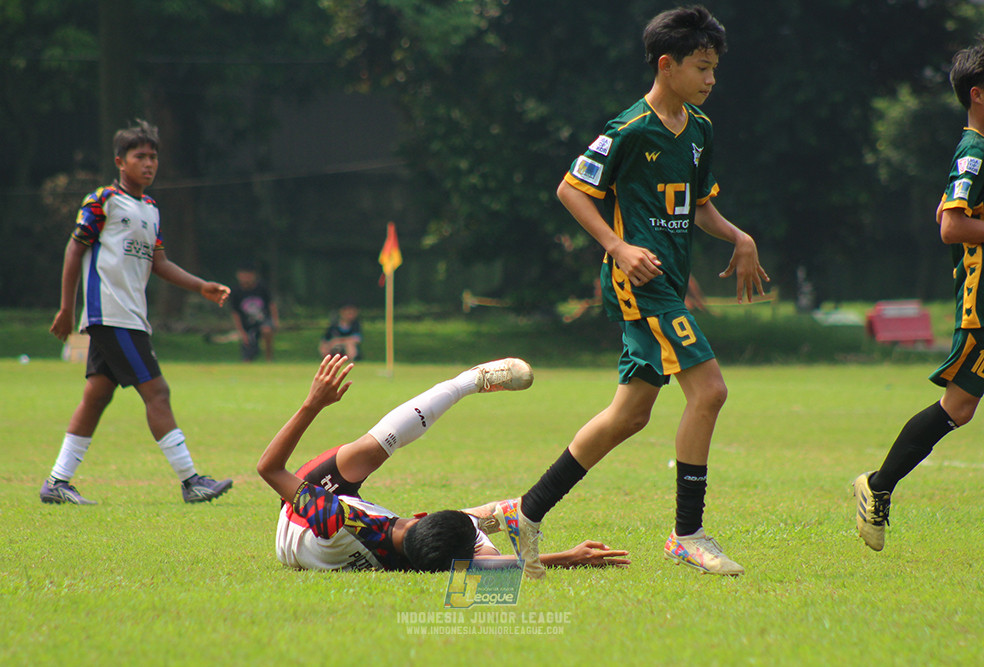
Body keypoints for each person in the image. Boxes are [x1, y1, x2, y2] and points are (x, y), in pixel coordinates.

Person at [488, 6, 768, 579]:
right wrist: (617, 247)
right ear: (667, 65)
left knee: (629, 415)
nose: (711, 79)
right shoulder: (628, 128)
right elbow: (571, 190)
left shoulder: (700, 129)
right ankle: (687, 534)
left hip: (667, 284)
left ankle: (526, 511)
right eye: (702, 68)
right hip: (641, 284)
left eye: (715, 68)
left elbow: (699, 207)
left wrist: (740, 237)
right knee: (709, 392)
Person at [256, 355, 630, 572]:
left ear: (421, 518)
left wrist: (313, 404)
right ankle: (502, 513)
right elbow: (492, 566)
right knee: (480, 530)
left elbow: (269, 469)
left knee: (367, 452)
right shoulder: (421, 560)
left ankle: (468, 382)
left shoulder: (336, 518)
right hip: (329, 545)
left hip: (300, 516)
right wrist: (568, 557)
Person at [43, 119, 234, 505]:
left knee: (97, 396)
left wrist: (201, 286)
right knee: (157, 392)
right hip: (111, 315)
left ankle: (57, 483)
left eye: (153, 157)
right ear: (120, 161)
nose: (148, 163)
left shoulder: (150, 209)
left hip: (130, 316)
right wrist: (67, 308)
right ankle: (191, 481)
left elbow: (158, 263)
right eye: (140, 156)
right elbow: (74, 249)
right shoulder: (103, 201)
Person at [853, 40, 984, 552]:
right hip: (981, 306)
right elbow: (951, 225)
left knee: (961, 408)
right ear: (977, 94)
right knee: (959, 407)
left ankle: (879, 485)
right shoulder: (974, 152)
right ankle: (878, 485)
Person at [230, 264, 279, 362]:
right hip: (247, 324)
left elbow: (271, 304)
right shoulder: (236, 292)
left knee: (266, 330)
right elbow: (235, 313)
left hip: (263, 319)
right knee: (248, 355)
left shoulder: (262, 288)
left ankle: (269, 357)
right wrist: (241, 332)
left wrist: (275, 320)